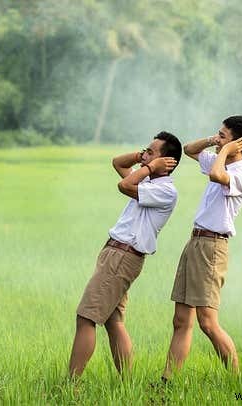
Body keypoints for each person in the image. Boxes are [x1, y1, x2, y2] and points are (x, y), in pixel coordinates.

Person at [69, 132, 182, 378]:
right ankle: (127, 383)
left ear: (167, 162)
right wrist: (145, 158)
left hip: (122, 256)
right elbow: (118, 163)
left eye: (151, 152)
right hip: (117, 254)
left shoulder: (165, 191)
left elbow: (124, 185)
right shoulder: (148, 182)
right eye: (145, 151)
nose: (144, 156)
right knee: (113, 321)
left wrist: (150, 166)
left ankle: (70, 385)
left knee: (86, 318)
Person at [161, 116, 242, 381]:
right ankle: (167, 381)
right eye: (218, 134)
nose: (217, 139)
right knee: (181, 320)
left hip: (213, 246)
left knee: (207, 322)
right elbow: (189, 149)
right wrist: (216, 141)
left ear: (238, 144)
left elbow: (216, 175)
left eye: (223, 135)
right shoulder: (219, 158)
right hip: (196, 241)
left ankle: (238, 382)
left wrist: (225, 150)